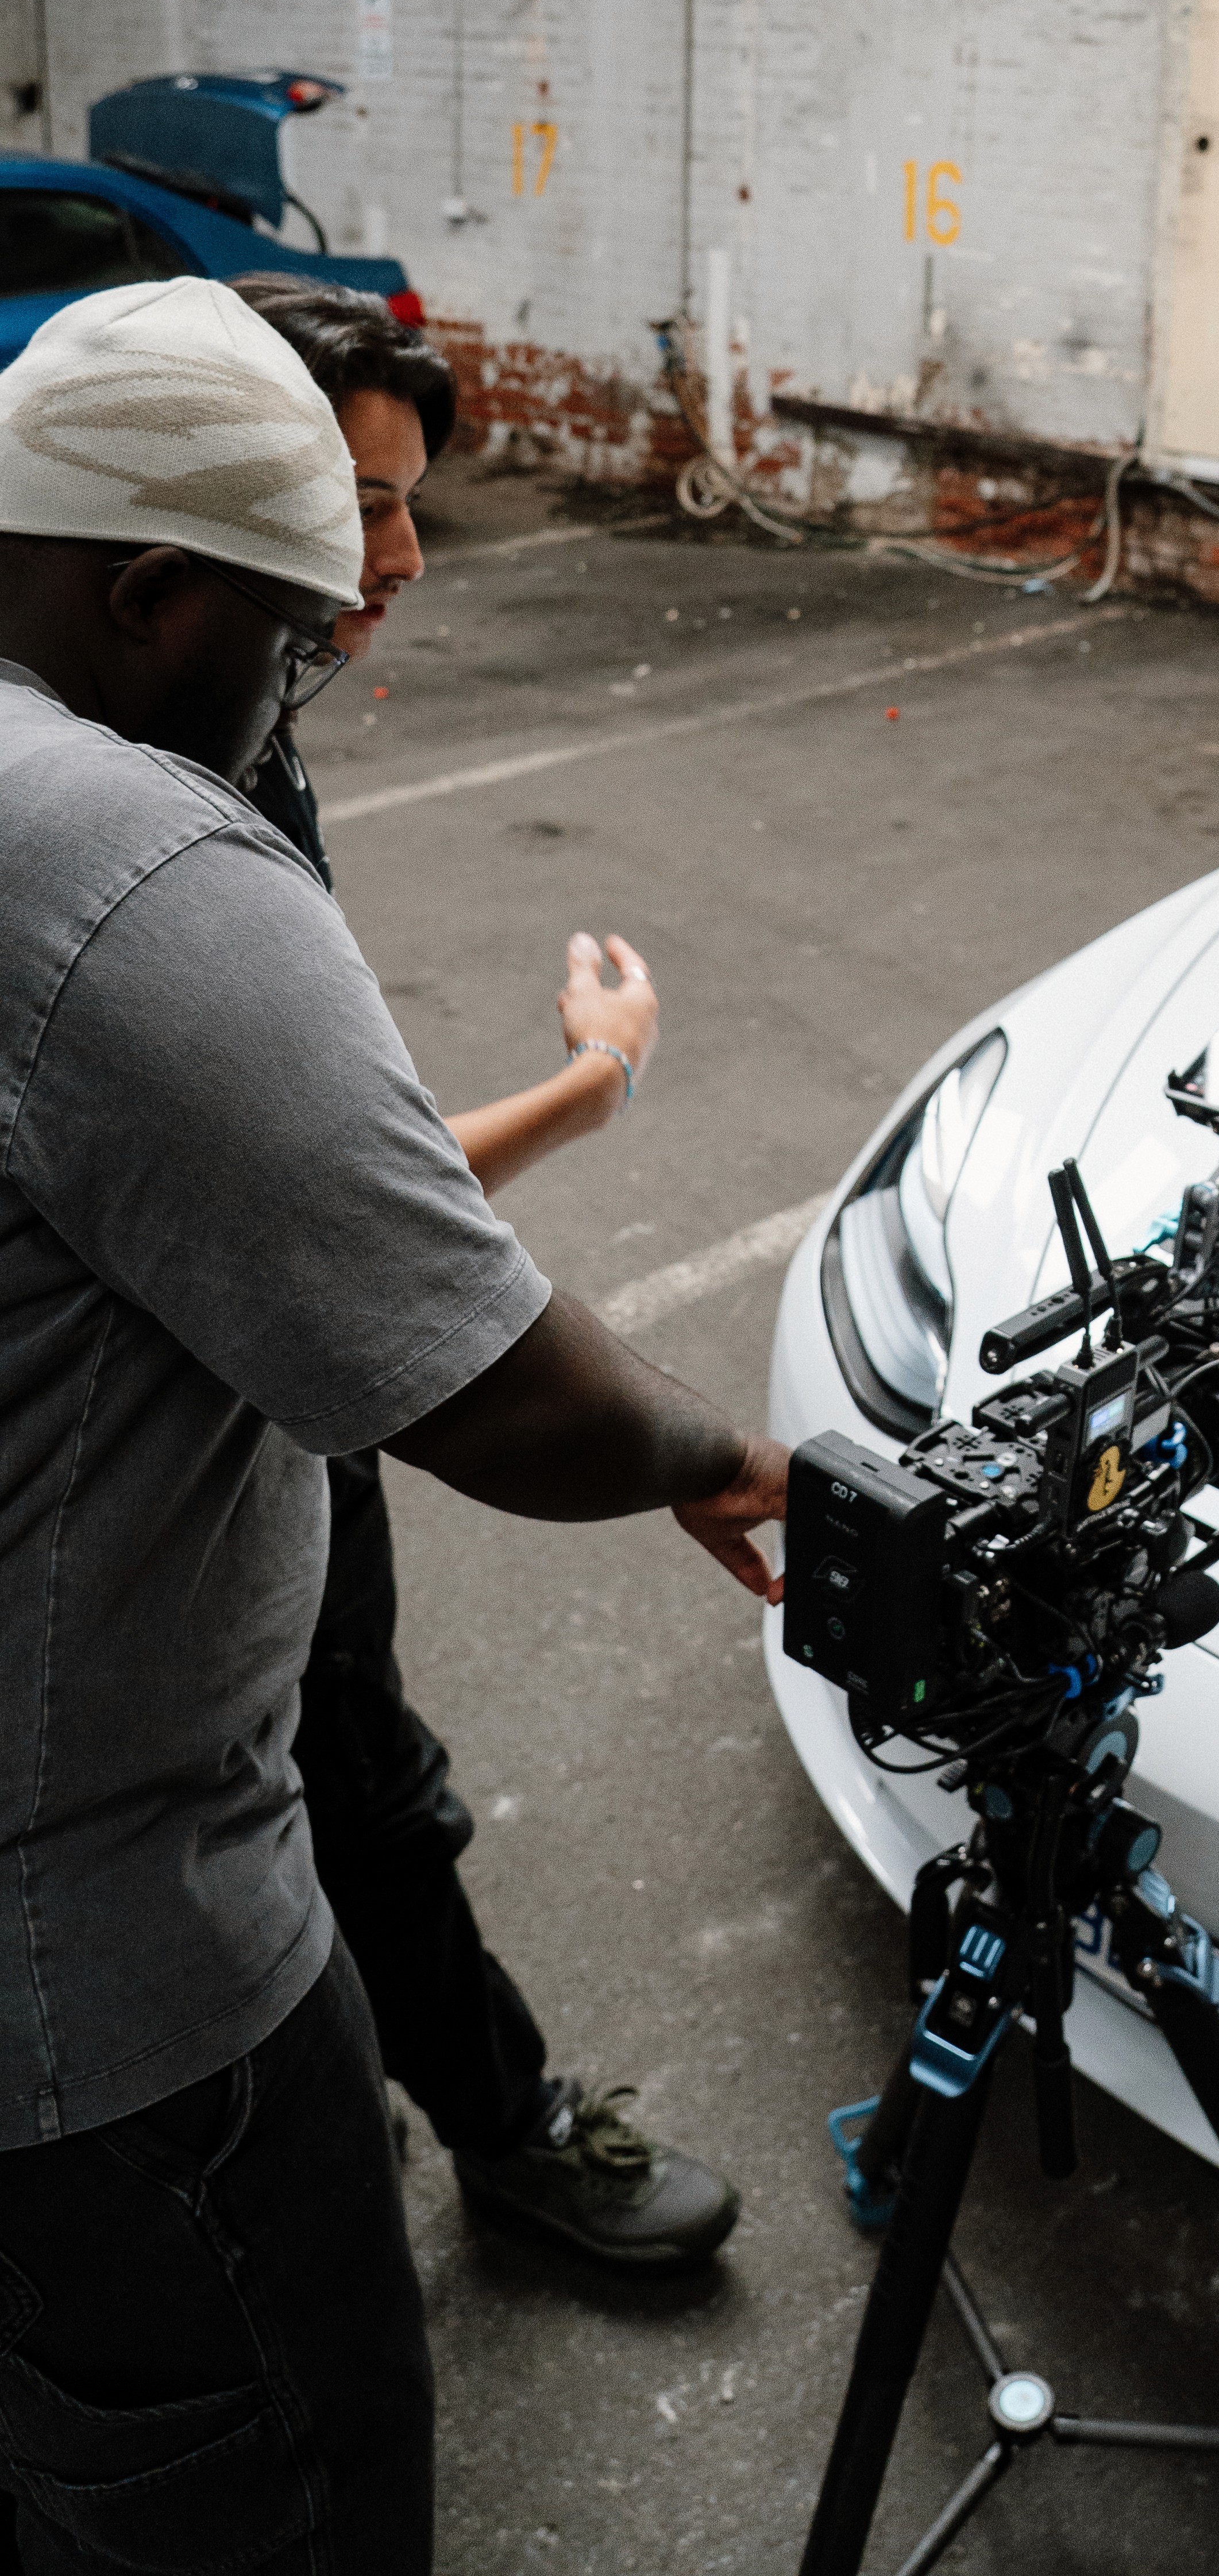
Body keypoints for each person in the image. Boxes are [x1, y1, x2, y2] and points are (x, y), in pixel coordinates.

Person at [0, 277, 786, 2573]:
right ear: (152, 594)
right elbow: (489, 1384)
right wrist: (732, 1462)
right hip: (105, 2016)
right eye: (299, 623)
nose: (321, 670)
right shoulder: (121, 851)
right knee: (266, 2488)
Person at [229, 275, 734, 2267]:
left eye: (405, 500)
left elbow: (318, 1166)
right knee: (358, 1776)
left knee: (339, 1781)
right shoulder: (174, 783)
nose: (408, 558)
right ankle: (505, 2140)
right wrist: (596, 1089)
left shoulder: (237, 730)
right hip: (244, 1422)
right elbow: (347, 1220)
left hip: (252, 1386)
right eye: (362, 505)